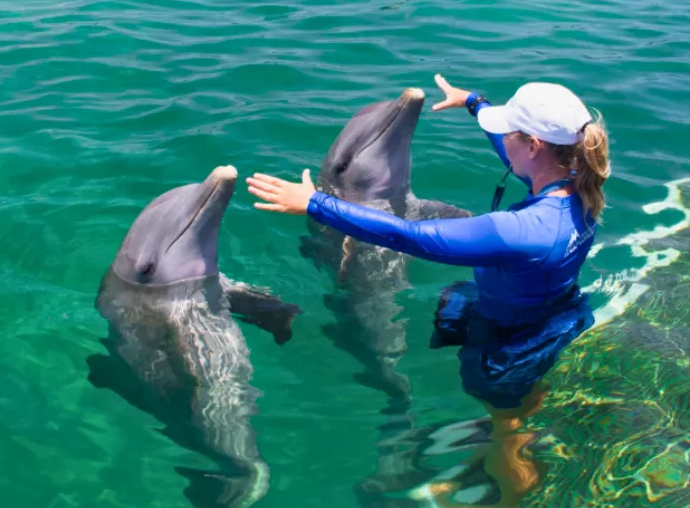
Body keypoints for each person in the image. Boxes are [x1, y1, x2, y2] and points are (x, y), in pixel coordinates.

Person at [247, 75, 610, 331]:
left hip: (511, 343)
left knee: (506, 424)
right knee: (451, 297)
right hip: (549, 306)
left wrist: (314, 204)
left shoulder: (514, 231)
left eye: (508, 131)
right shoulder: (580, 184)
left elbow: (409, 236)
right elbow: (515, 157)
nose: (503, 138)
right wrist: (474, 102)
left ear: (533, 146)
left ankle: (508, 437)